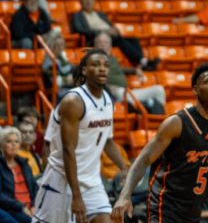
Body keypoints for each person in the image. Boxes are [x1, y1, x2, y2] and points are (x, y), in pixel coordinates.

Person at [111, 63, 208, 223]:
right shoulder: (176, 124)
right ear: (195, 89)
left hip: (193, 214)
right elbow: (143, 159)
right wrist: (125, 196)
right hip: (163, 211)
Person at [33, 50, 128, 223]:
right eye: (95, 65)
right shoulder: (73, 101)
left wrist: (124, 167)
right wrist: (76, 196)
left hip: (91, 182)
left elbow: (107, 141)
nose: (102, 69)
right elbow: (69, 150)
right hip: (62, 181)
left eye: (106, 65)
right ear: (84, 70)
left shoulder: (108, 100)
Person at [70, 0, 156, 70]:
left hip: (110, 35)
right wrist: (103, 32)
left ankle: (141, 64)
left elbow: (110, 25)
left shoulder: (100, 14)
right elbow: (79, 29)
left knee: (134, 39)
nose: (88, 1)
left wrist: (115, 30)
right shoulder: (77, 15)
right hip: (95, 38)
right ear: (80, 1)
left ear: (94, 1)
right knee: (120, 41)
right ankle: (144, 62)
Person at [94, 33, 166, 112]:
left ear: (111, 46)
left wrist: (134, 70)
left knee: (159, 90)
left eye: (106, 42)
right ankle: (145, 105)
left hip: (127, 91)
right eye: (100, 43)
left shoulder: (113, 59)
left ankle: (157, 119)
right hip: (116, 93)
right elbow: (90, 79)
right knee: (120, 93)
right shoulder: (93, 61)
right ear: (94, 46)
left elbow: (119, 69)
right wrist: (107, 87)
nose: (103, 45)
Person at [0, 127, 37, 223]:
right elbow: (1, 196)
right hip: (12, 209)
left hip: (31, 208)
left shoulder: (24, 164)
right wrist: (22, 207)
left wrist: (33, 205)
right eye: (9, 141)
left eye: (16, 142)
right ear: (1, 146)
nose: (13, 144)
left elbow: (35, 188)